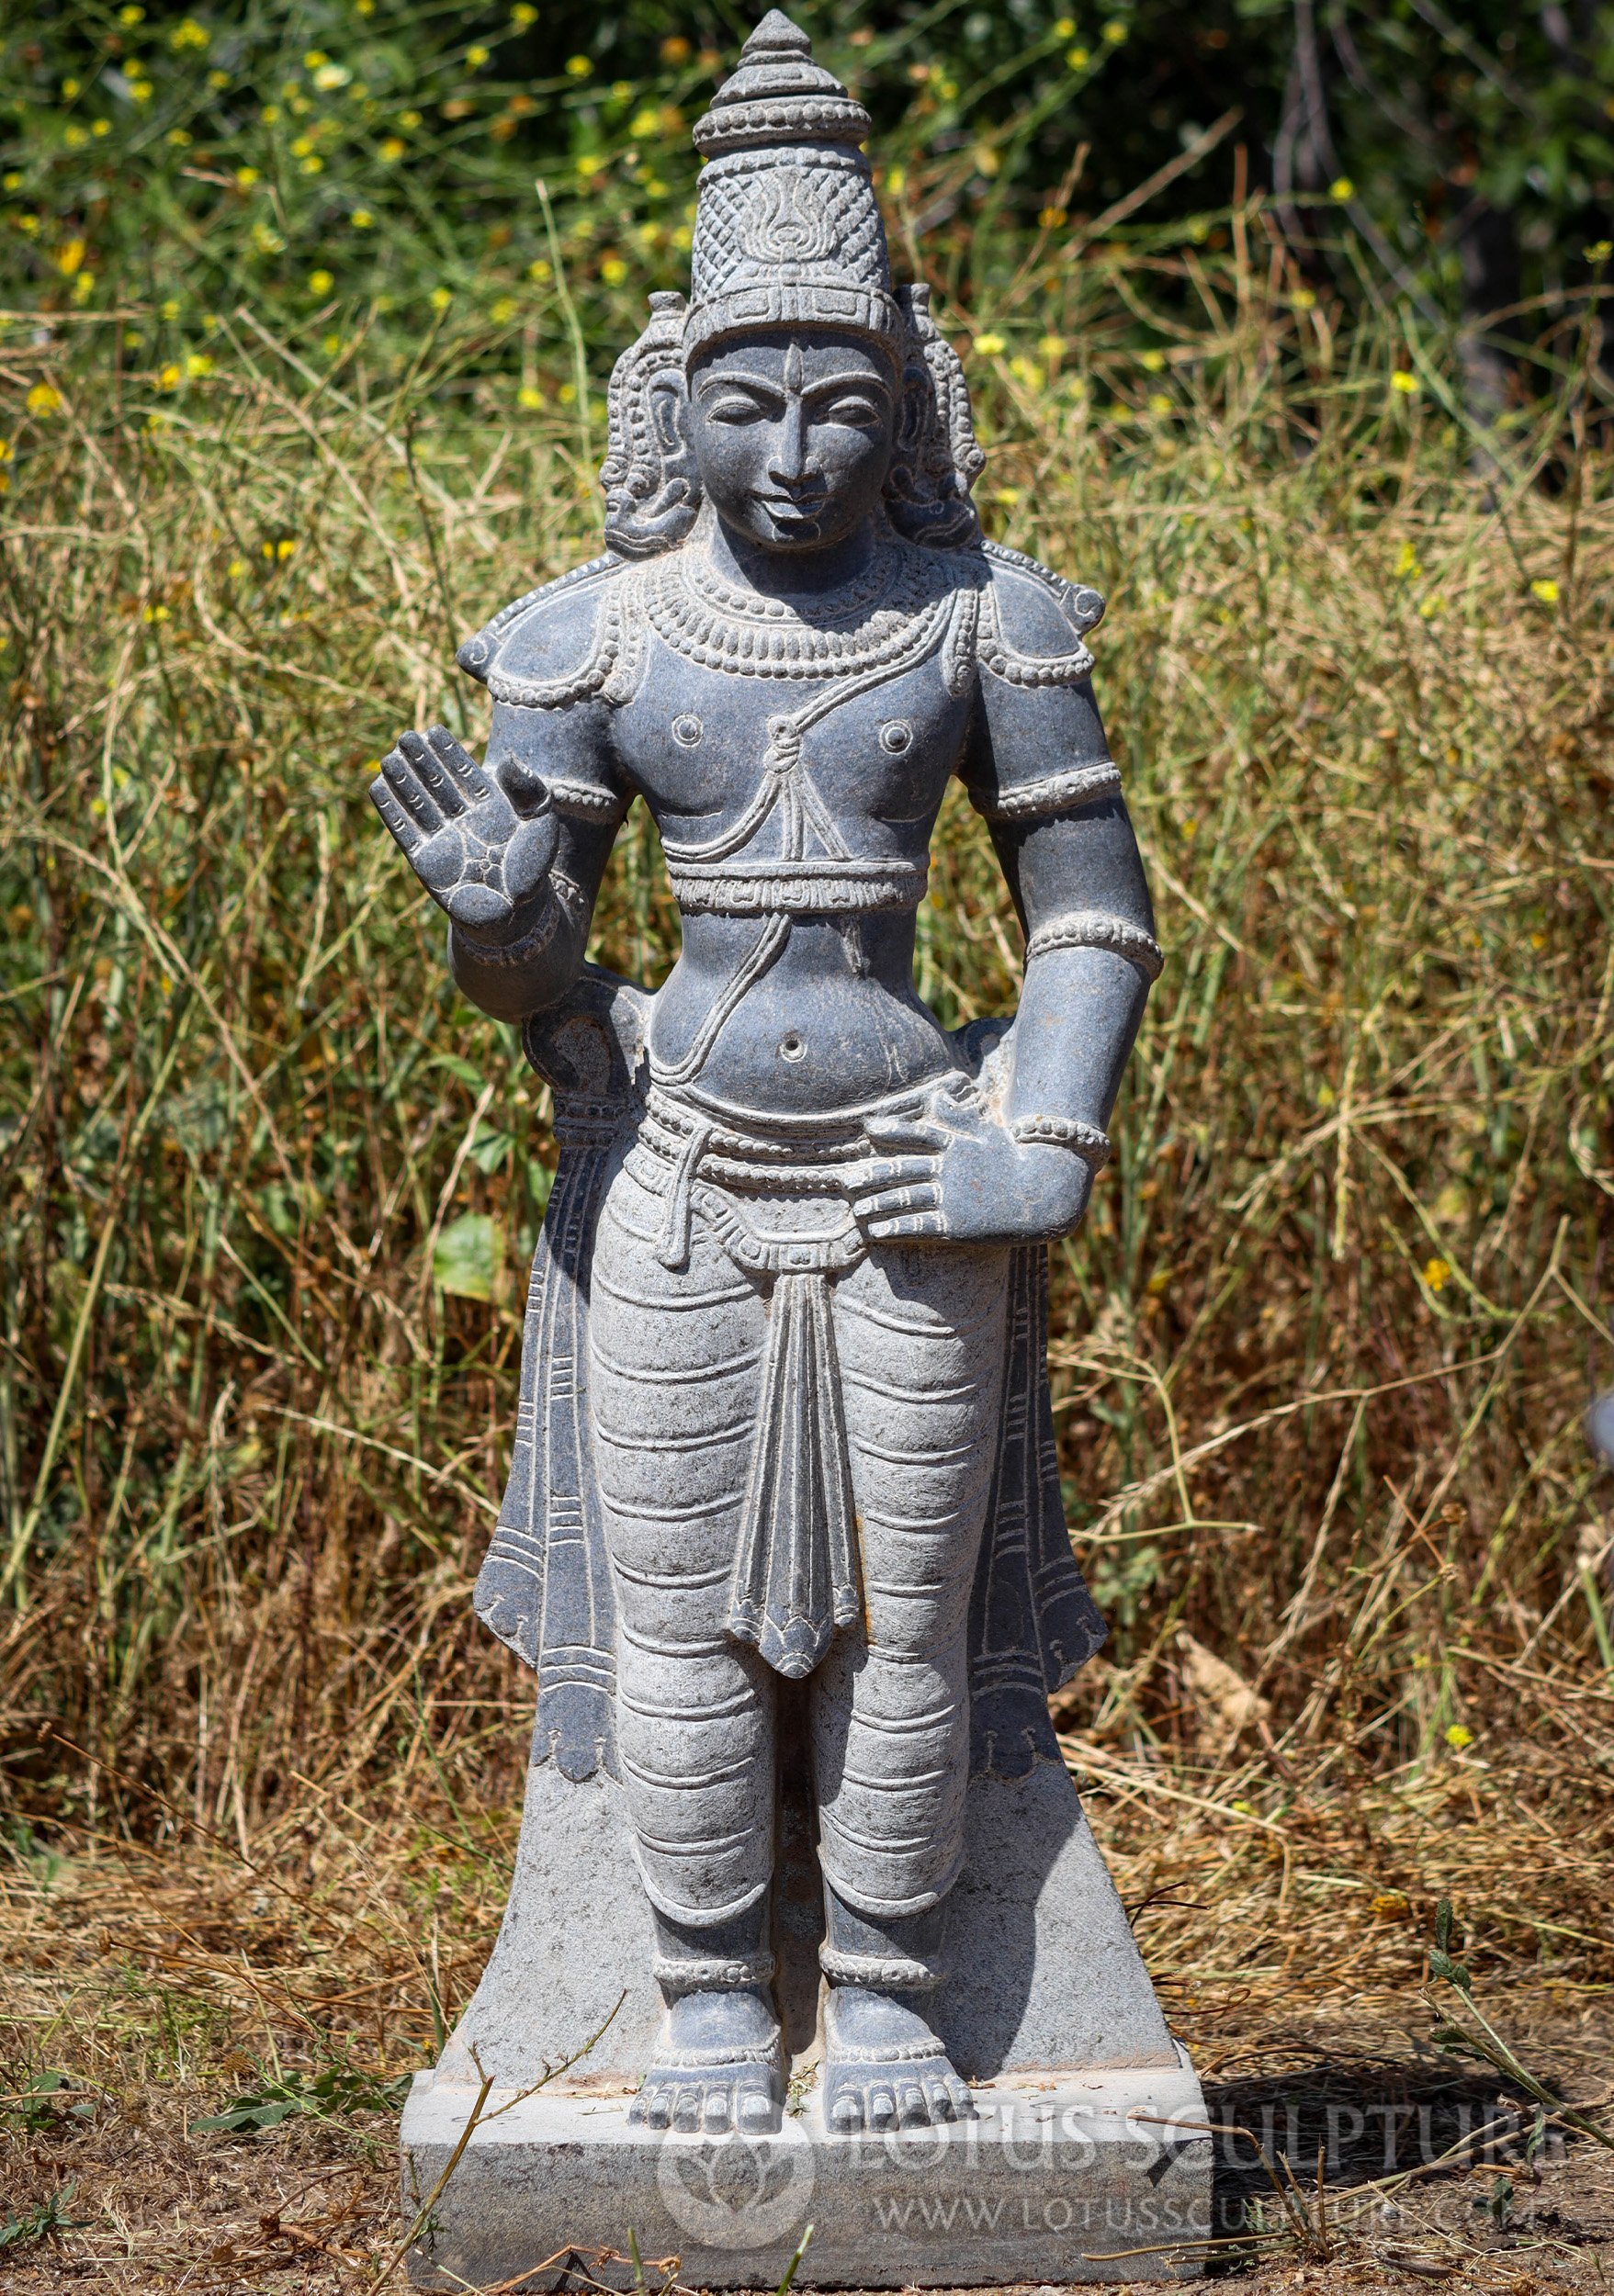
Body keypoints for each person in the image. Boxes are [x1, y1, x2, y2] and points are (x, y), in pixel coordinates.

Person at [370, 10, 1161, 2141]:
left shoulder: (982, 620)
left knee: (908, 1617)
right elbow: (541, 982)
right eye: (746, 407)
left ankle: (896, 1991)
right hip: (687, 1165)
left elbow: (1091, 912)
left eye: (839, 407)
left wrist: (1044, 1142)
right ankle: (710, 1987)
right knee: (684, 1611)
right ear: (671, 406)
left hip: (913, 1162)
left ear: (908, 408)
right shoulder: (601, 637)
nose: (796, 458)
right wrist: (495, 918)